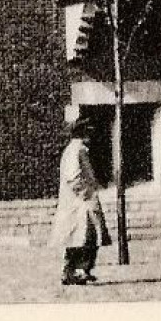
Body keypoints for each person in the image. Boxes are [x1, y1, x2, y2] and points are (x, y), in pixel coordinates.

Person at [50, 115, 111, 285]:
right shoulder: (77, 150)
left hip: (80, 203)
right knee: (81, 238)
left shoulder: (77, 149)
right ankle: (73, 271)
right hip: (79, 204)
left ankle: (82, 270)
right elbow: (73, 177)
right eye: (88, 132)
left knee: (87, 237)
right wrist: (86, 194)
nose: (90, 136)